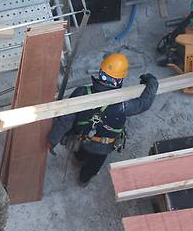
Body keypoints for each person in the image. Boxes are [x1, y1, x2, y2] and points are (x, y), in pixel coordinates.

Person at [47, 53, 159, 186]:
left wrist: (52, 141)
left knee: (80, 153)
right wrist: (152, 82)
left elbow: (64, 121)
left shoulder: (81, 93)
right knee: (92, 167)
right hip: (103, 147)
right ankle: (83, 180)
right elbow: (144, 102)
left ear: (100, 72)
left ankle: (77, 160)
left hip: (82, 139)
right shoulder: (123, 105)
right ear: (120, 80)